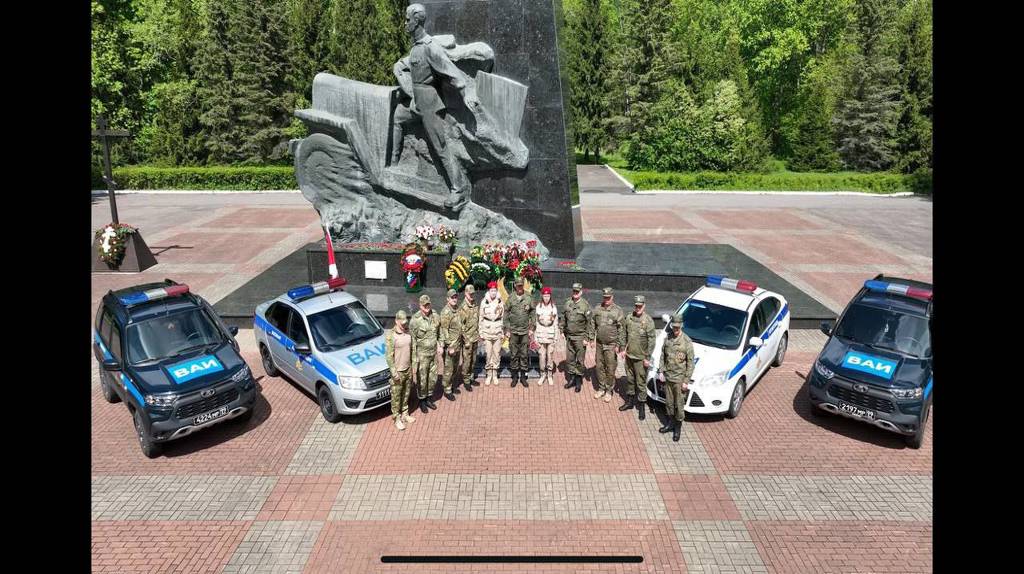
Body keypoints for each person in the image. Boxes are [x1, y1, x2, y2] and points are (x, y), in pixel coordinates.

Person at [390, 3, 480, 211]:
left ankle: (458, 191)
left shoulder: (431, 47)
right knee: (397, 117)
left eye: (407, 20)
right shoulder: (416, 47)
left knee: (440, 147)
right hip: (417, 100)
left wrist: (466, 92)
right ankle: (394, 164)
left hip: (430, 103)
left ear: (417, 20)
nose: (404, 23)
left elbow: (451, 72)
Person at [659, 314, 695, 442]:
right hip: (668, 377)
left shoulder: (687, 342)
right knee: (669, 403)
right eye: (674, 327)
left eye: (677, 327)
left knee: (679, 405)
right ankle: (670, 423)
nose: (675, 329)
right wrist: (661, 371)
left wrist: (686, 381)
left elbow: (691, 364)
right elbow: (662, 355)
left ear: (682, 326)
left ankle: (677, 427)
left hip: (679, 380)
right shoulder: (668, 338)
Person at [621, 295, 656, 420]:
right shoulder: (629, 318)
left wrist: (647, 358)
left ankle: (641, 406)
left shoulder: (648, 321)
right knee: (630, 380)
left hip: (641, 358)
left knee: (640, 383)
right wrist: (622, 348)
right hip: (629, 356)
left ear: (644, 306)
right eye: (636, 306)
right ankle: (630, 402)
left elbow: (652, 341)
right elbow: (624, 334)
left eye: (640, 306)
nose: (638, 308)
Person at [590, 287, 625, 403]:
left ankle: (609, 390)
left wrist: (619, 345)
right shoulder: (598, 309)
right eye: (605, 298)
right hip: (600, 344)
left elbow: (621, 329)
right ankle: (601, 388)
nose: (606, 300)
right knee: (599, 367)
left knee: (610, 368)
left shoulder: (618, 311)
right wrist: (591, 339)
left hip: (611, 345)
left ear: (612, 297)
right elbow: (592, 323)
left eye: (608, 298)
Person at [560, 282, 593, 393]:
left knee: (579, 360)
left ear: (581, 292)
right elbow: (564, 317)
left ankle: (578, 382)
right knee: (569, 359)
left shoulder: (585, 305)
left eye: (577, 292)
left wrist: (587, 338)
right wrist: (561, 329)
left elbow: (589, 323)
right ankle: (572, 379)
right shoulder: (568, 303)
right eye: (574, 291)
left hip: (580, 337)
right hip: (569, 336)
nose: (575, 293)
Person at [385, 310, 416, 431]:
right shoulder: (391, 336)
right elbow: (388, 356)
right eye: (401, 322)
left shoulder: (408, 333)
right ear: (396, 321)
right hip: (398, 372)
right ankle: (396, 418)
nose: (404, 325)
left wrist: (413, 366)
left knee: (406, 393)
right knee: (396, 397)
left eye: (405, 322)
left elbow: (412, 350)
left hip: (408, 369)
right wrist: (394, 372)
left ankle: (405, 414)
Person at [410, 294, 441, 413]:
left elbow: (439, 333)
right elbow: (412, 342)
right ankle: (422, 401)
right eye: (424, 305)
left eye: (428, 304)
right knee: (422, 379)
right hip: (421, 355)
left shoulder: (436, 316)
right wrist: (414, 361)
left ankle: (429, 398)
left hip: (433, 354)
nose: (427, 307)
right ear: (420, 306)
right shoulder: (415, 320)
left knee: (432, 378)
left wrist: (440, 344)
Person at [504, 277, 534, 387]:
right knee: (513, 354)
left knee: (524, 354)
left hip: (525, 331)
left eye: (521, 285)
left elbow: (532, 313)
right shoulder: (511, 298)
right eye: (518, 285)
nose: (520, 287)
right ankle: (515, 377)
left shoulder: (528, 298)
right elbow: (506, 313)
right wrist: (506, 329)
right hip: (513, 331)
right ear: (515, 286)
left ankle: (523, 377)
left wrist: (532, 328)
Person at [452, 283, 480, 390]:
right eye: (469, 294)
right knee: (467, 360)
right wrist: (466, 339)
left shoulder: (475, 304)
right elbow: (461, 326)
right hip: (467, 339)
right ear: (465, 294)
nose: (471, 296)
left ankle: (471, 376)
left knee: (473, 360)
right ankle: (466, 380)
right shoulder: (463, 308)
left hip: (475, 337)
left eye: (473, 294)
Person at [478, 281, 505, 386]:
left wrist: (502, 331)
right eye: (491, 290)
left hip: (497, 330)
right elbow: (480, 317)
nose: (493, 292)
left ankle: (495, 374)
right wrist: (480, 332)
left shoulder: (500, 302)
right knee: (488, 354)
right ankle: (489, 374)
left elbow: (502, 317)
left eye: (495, 290)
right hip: (487, 331)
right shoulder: (484, 302)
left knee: (497, 354)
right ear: (488, 291)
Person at [532, 286, 559, 385]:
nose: (546, 298)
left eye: (548, 296)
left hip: (551, 334)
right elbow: (536, 323)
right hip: (540, 334)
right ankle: (542, 374)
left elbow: (556, 323)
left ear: (550, 296)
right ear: (542, 296)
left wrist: (556, 337)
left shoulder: (553, 308)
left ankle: (550, 375)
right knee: (542, 356)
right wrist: (535, 338)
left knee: (550, 355)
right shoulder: (538, 307)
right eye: (545, 296)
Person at [438, 288, 461, 401]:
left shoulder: (457, 309)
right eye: (452, 297)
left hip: (457, 344)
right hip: (450, 346)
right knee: (448, 369)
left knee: (455, 368)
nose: (454, 299)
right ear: (447, 299)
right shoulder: (446, 312)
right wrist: (450, 346)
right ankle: (447, 389)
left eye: (455, 297)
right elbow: (444, 330)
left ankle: (451, 385)